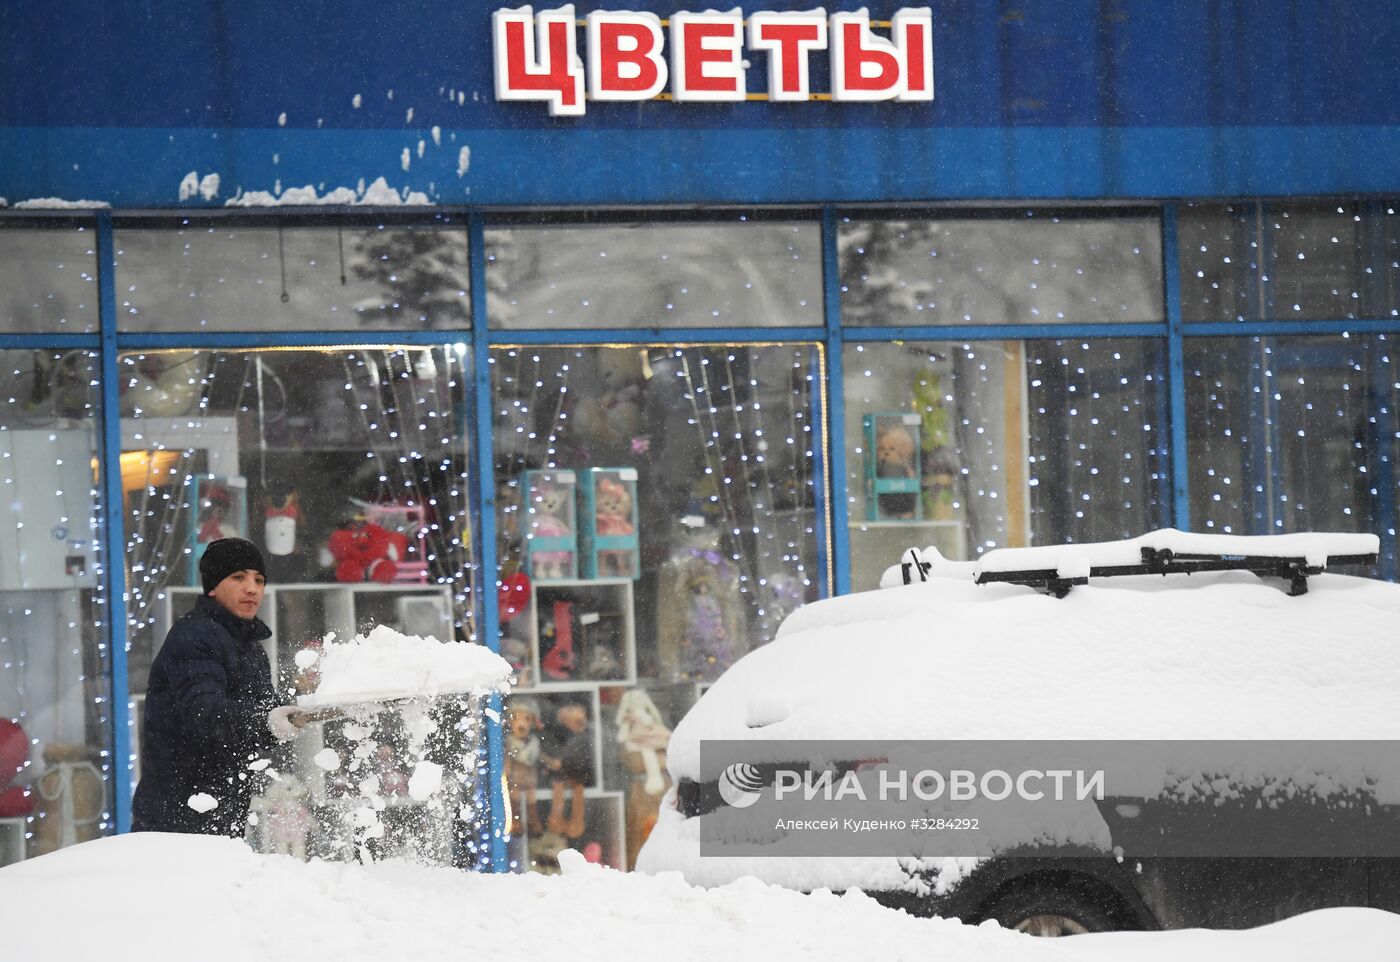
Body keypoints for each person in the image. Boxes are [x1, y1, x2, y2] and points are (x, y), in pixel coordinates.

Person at [132, 537, 304, 836]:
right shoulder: (194, 636)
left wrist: (297, 707)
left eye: (259, 580)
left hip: (223, 811)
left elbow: (258, 716)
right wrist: (266, 721)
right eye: (238, 577)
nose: (252, 588)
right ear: (212, 586)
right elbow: (205, 712)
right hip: (177, 816)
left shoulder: (249, 647)